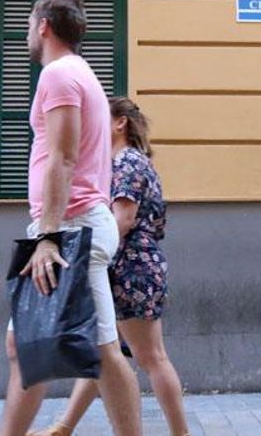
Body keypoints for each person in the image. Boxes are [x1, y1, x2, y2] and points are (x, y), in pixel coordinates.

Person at [0, 0, 141, 436]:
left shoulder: (58, 75)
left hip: (70, 229)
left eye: (27, 24)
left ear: (43, 26)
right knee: (27, 343)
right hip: (76, 225)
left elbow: (62, 157)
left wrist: (48, 237)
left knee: (102, 351)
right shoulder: (81, 74)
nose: (25, 33)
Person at [30, 98, 189, 436]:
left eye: (102, 119)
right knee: (105, 353)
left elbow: (123, 220)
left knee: (151, 358)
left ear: (120, 124)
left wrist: (86, 259)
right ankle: (64, 426)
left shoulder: (127, 161)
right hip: (125, 266)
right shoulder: (119, 162)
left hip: (130, 268)